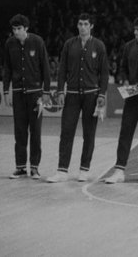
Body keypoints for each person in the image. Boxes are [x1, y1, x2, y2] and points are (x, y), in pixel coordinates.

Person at [47, 13, 109, 183]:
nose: (82, 26)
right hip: (72, 95)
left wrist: (102, 94)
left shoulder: (99, 46)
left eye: (86, 24)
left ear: (91, 26)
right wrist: (60, 91)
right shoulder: (69, 44)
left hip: (92, 95)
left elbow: (104, 73)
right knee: (66, 132)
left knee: (89, 135)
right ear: (77, 25)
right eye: (80, 23)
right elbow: (62, 70)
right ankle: (62, 171)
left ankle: (84, 170)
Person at [105, 16, 138, 184]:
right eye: (134, 29)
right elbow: (121, 68)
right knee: (126, 130)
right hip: (132, 94)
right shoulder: (128, 47)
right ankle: (119, 170)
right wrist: (124, 80)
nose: (135, 32)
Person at [3, 14, 52, 179]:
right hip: (17, 94)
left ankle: (35, 168)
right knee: (19, 131)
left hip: (36, 95)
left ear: (26, 29)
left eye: (19, 29)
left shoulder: (37, 42)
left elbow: (45, 67)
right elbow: (7, 69)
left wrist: (46, 92)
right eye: (14, 29)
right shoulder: (9, 43)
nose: (16, 32)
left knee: (36, 131)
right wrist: (5, 91)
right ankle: (21, 167)